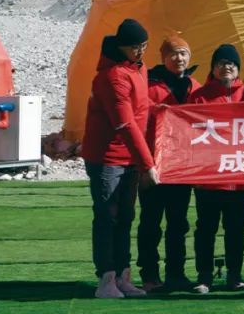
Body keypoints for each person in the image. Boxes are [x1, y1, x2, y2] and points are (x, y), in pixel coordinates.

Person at [81, 18, 159, 299]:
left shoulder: (138, 69)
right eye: (134, 47)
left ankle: (123, 275)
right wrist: (148, 163)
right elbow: (124, 123)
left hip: (128, 158)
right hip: (107, 158)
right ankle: (106, 278)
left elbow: (142, 108)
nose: (139, 51)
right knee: (108, 216)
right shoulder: (113, 76)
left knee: (125, 216)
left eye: (143, 46)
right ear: (121, 46)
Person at [188, 44, 244, 294]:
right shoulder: (199, 97)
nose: (226, 66)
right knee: (205, 229)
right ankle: (204, 276)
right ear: (213, 67)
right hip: (208, 178)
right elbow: (187, 133)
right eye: (221, 62)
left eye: (231, 63)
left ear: (238, 68)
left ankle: (235, 276)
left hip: (238, 177)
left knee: (236, 229)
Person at [137, 35, 201, 292]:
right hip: (153, 163)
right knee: (151, 221)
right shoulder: (147, 83)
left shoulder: (194, 86)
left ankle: (176, 273)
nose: (179, 58)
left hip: (181, 165)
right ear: (163, 57)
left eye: (184, 53)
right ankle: (149, 274)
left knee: (178, 222)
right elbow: (138, 118)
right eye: (174, 53)